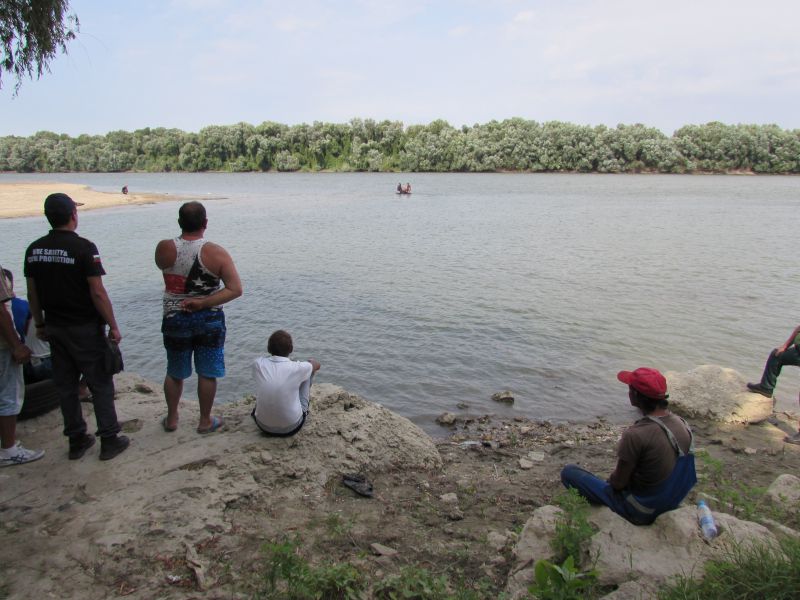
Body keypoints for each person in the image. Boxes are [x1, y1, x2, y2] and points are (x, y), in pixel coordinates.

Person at [25, 193, 130, 461]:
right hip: (84, 326)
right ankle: (109, 438)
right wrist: (113, 325)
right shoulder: (84, 248)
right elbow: (97, 292)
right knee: (101, 382)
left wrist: (39, 323)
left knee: (66, 384)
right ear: (73, 215)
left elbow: (32, 292)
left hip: (55, 326)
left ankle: (76, 438)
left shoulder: (34, 250)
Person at [560, 368, 696, 525]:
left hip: (642, 511)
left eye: (630, 389)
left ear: (636, 395)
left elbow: (618, 483)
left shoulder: (635, 434)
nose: (628, 392)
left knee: (569, 472)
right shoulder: (682, 424)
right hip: (672, 500)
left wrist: (610, 481)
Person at [155, 201, 242, 434]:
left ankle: (172, 418)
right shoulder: (216, 252)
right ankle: (205, 421)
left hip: (174, 317)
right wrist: (203, 302)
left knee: (175, 371)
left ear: (179, 222)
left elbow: (164, 268)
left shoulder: (163, 248)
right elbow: (235, 289)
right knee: (207, 371)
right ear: (205, 223)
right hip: (209, 320)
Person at [0, 262, 44, 467]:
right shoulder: (21, 307)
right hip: (6, 349)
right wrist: (16, 345)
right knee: (9, 394)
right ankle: (8, 449)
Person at [252, 329, 320, 436]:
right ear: (291, 349)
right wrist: (310, 362)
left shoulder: (258, 364)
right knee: (308, 372)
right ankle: (304, 409)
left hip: (262, 425)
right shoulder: (297, 368)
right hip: (291, 427)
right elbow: (317, 365)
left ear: (268, 348)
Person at [747, 326, 800, 444]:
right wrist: (785, 346)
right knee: (776, 355)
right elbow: (798, 329)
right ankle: (766, 387)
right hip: (797, 351)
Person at [3, 269, 52, 383]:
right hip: (36, 359)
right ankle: (81, 389)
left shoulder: (31, 306)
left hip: (27, 360)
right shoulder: (23, 306)